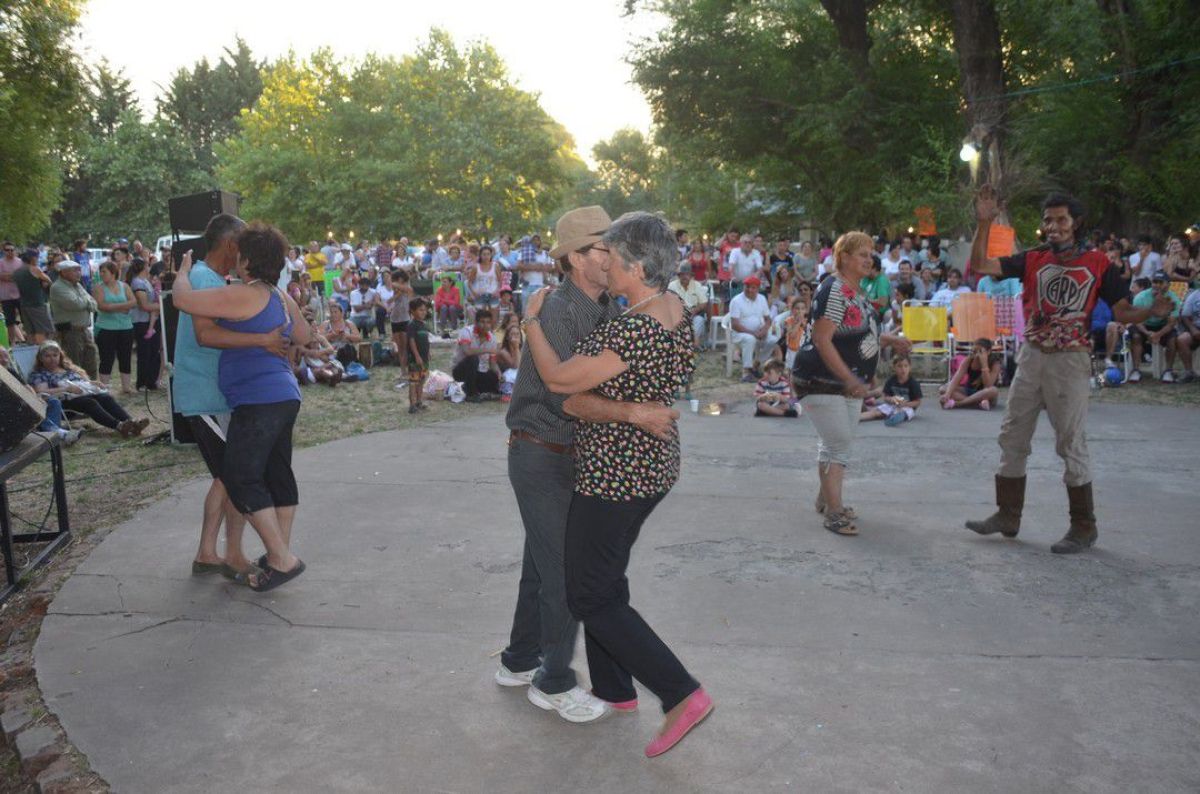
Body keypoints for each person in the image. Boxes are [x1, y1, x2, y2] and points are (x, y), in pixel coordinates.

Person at [521, 210, 711, 756]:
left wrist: (531, 323)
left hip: (615, 475)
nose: (607, 262)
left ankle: (681, 694)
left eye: (613, 254)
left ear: (633, 264)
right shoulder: (674, 309)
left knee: (589, 592)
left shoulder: (635, 325)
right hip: (651, 466)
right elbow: (579, 397)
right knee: (606, 577)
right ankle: (614, 688)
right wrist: (612, 406)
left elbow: (559, 382)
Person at [964, 185, 1175, 554]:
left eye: (1061, 220)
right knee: (1012, 436)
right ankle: (1007, 515)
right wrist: (984, 222)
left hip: (1070, 360)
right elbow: (981, 265)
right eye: (1048, 220)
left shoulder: (1098, 264)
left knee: (1070, 443)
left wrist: (1148, 312)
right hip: (1032, 356)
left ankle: (1083, 526)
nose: (1053, 226)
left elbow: (1122, 310)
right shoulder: (1033, 258)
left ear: (1075, 223)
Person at [173, 223, 310, 592]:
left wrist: (180, 273)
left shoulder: (240, 293)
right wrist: (267, 337)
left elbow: (184, 304)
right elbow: (304, 336)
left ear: (246, 258)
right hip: (281, 395)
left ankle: (279, 558)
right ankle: (268, 552)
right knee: (271, 475)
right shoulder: (278, 295)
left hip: (256, 397)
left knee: (240, 478)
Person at [792, 231, 912, 536]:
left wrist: (890, 340)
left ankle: (826, 499)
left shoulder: (854, 291)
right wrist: (849, 378)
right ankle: (834, 513)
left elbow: (855, 331)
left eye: (870, 253)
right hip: (822, 379)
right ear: (843, 257)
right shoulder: (834, 290)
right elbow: (822, 339)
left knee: (833, 444)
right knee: (838, 444)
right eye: (862, 253)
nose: (868, 259)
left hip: (843, 382)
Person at [29, 341, 148, 437]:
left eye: (55, 355)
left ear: (60, 355)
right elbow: (41, 392)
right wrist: (67, 388)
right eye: (47, 356)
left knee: (105, 398)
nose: (52, 359)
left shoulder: (68, 368)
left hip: (83, 394)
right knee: (89, 402)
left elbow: (82, 383)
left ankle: (132, 422)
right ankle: (119, 426)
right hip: (64, 403)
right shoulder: (39, 374)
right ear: (41, 358)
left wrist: (92, 383)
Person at [1, 345, 81, 445]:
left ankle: (55, 435)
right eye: (1, 357)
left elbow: (27, 387)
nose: (5, 360)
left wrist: (35, 398)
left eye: (6, 356)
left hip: (23, 401)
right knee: (27, 409)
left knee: (53, 401)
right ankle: (59, 435)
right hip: (9, 409)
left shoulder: (9, 370)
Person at [47, 260, 99, 378]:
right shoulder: (57, 287)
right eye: (75, 270)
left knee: (91, 363)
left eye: (79, 270)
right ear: (64, 273)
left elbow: (94, 303)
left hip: (84, 330)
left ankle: (93, 388)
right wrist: (87, 302)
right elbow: (75, 304)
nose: (79, 273)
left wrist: (86, 302)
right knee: (75, 365)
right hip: (70, 332)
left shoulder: (78, 285)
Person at [1127, 272, 1182, 382]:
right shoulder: (1140, 297)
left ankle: (1168, 371)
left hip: (1162, 326)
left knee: (1172, 339)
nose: (1156, 285)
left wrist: (1158, 334)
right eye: (1154, 282)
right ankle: (1136, 370)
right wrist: (1147, 333)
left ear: (1168, 284)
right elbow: (1136, 320)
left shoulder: (1174, 299)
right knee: (1136, 336)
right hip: (1143, 324)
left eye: (1160, 282)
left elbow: (1171, 323)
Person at [91, 261, 136, 394]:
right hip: (106, 328)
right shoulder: (98, 288)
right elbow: (102, 306)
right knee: (106, 358)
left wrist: (113, 307)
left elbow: (133, 301)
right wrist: (123, 306)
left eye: (104, 272)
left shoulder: (124, 286)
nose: (102, 274)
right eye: (101, 272)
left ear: (113, 272)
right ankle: (103, 387)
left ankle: (126, 387)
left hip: (125, 327)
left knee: (125, 357)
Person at [728, 275, 773, 382]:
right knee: (750, 339)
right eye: (747, 287)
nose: (749, 290)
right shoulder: (736, 301)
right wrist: (754, 333)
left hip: (758, 332)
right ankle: (746, 372)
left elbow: (768, 319)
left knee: (772, 340)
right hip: (739, 334)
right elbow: (735, 325)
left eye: (753, 287)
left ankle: (755, 366)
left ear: (758, 289)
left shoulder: (762, 299)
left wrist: (764, 330)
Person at [126, 258, 161, 391]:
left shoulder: (146, 281)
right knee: (144, 353)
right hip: (141, 322)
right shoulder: (137, 283)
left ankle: (151, 381)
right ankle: (142, 382)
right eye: (147, 265)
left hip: (150, 321)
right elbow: (144, 305)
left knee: (153, 351)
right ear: (143, 267)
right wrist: (159, 305)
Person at [451, 308, 501, 400]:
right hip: (460, 371)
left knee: (493, 376)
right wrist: (487, 350)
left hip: (478, 372)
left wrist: (499, 373)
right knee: (473, 358)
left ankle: (475, 390)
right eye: (482, 322)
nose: (485, 325)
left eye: (488, 322)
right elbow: (468, 352)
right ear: (476, 323)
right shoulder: (466, 332)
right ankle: (471, 394)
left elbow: (492, 363)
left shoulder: (492, 338)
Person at [860, 354, 921, 426]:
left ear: (910, 367)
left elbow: (917, 402)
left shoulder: (913, 383)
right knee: (875, 412)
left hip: (907, 407)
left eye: (906, 366)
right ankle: (857, 417)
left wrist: (906, 404)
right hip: (892, 405)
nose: (903, 369)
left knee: (903, 412)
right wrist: (890, 399)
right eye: (899, 366)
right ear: (894, 367)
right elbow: (885, 397)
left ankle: (894, 419)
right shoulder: (891, 381)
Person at [940, 338, 1001, 410]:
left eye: (980, 351)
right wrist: (947, 395)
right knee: (943, 389)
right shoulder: (969, 359)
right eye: (974, 351)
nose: (977, 355)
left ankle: (958, 404)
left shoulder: (995, 363)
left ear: (988, 352)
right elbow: (957, 377)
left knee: (993, 390)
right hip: (969, 391)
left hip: (985, 394)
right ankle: (977, 404)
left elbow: (988, 385)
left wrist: (984, 364)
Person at [13, 249, 54, 344]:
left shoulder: (16, 272)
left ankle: (32, 353)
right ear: (33, 258)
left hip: (24, 305)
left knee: (30, 332)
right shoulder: (34, 269)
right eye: (37, 257)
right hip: (37, 304)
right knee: (43, 331)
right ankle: (42, 352)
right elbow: (48, 280)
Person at [667, 262, 709, 348]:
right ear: (679, 276)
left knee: (699, 320)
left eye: (687, 274)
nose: (684, 276)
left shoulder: (696, 285)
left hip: (693, 312)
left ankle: (693, 341)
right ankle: (682, 343)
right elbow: (667, 302)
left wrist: (694, 311)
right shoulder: (672, 285)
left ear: (691, 276)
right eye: (682, 274)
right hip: (677, 313)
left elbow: (704, 302)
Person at [405, 297, 430, 414]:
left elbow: (425, 340)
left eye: (425, 310)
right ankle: (412, 404)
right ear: (413, 311)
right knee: (414, 381)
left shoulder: (423, 324)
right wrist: (416, 356)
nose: (423, 312)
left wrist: (428, 353)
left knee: (421, 380)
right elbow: (411, 341)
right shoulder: (412, 325)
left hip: (424, 358)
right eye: (420, 310)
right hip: (415, 359)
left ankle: (419, 401)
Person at [0, 242, 24, 343]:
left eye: (12, 249)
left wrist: (9, 276)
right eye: (7, 250)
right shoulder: (1, 262)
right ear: (3, 251)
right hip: (6, 297)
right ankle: (12, 343)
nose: (10, 252)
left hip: (20, 295)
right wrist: (14, 276)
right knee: (10, 321)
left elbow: (21, 276)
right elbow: (2, 276)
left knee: (25, 319)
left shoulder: (20, 262)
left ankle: (27, 340)